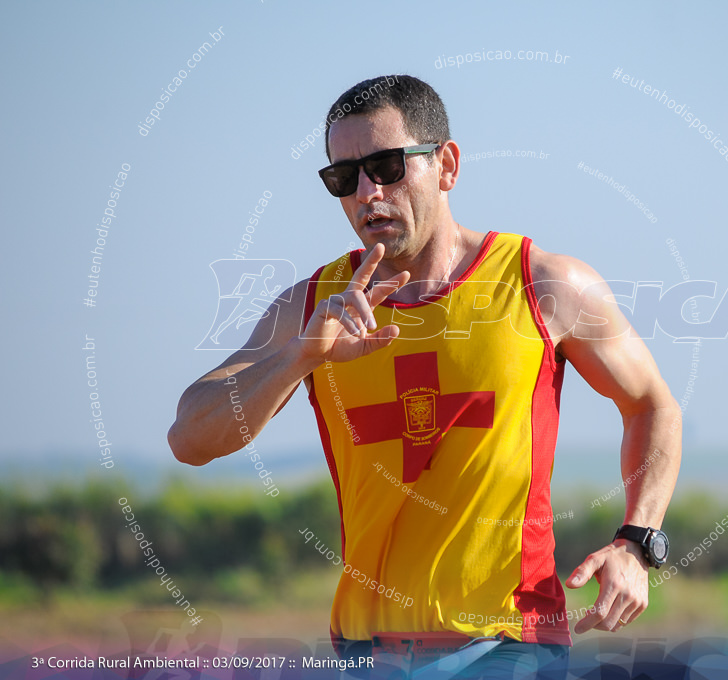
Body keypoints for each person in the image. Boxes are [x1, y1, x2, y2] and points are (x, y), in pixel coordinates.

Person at [168, 74, 681, 678]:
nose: (367, 193)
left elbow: (652, 406)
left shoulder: (543, 283)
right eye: (343, 177)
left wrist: (637, 541)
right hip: (365, 654)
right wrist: (300, 357)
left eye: (386, 166)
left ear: (447, 165)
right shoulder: (312, 307)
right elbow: (189, 438)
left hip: (511, 643)